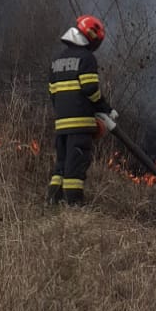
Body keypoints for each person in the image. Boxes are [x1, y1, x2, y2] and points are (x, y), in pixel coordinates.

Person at [47, 14, 117, 205]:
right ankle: (74, 206)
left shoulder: (56, 61)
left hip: (61, 125)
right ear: (92, 37)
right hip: (80, 125)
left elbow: (53, 93)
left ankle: (53, 201)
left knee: (61, 166)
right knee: (75, 167)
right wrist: (105, 108)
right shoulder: (86, 58)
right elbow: (90, 89)